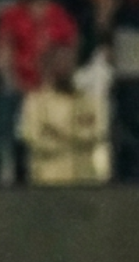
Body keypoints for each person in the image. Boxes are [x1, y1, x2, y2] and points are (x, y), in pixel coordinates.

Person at [17, 44, 109, 185]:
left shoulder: (89, 102)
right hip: (48, 181)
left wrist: (56, 133)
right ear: (50, 67)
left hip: (84, 181)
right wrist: (76, 137)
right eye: (60, 63)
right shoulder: (35, 103)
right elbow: (33, 136)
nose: (66, 67)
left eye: (69, 62)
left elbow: (97, 133)